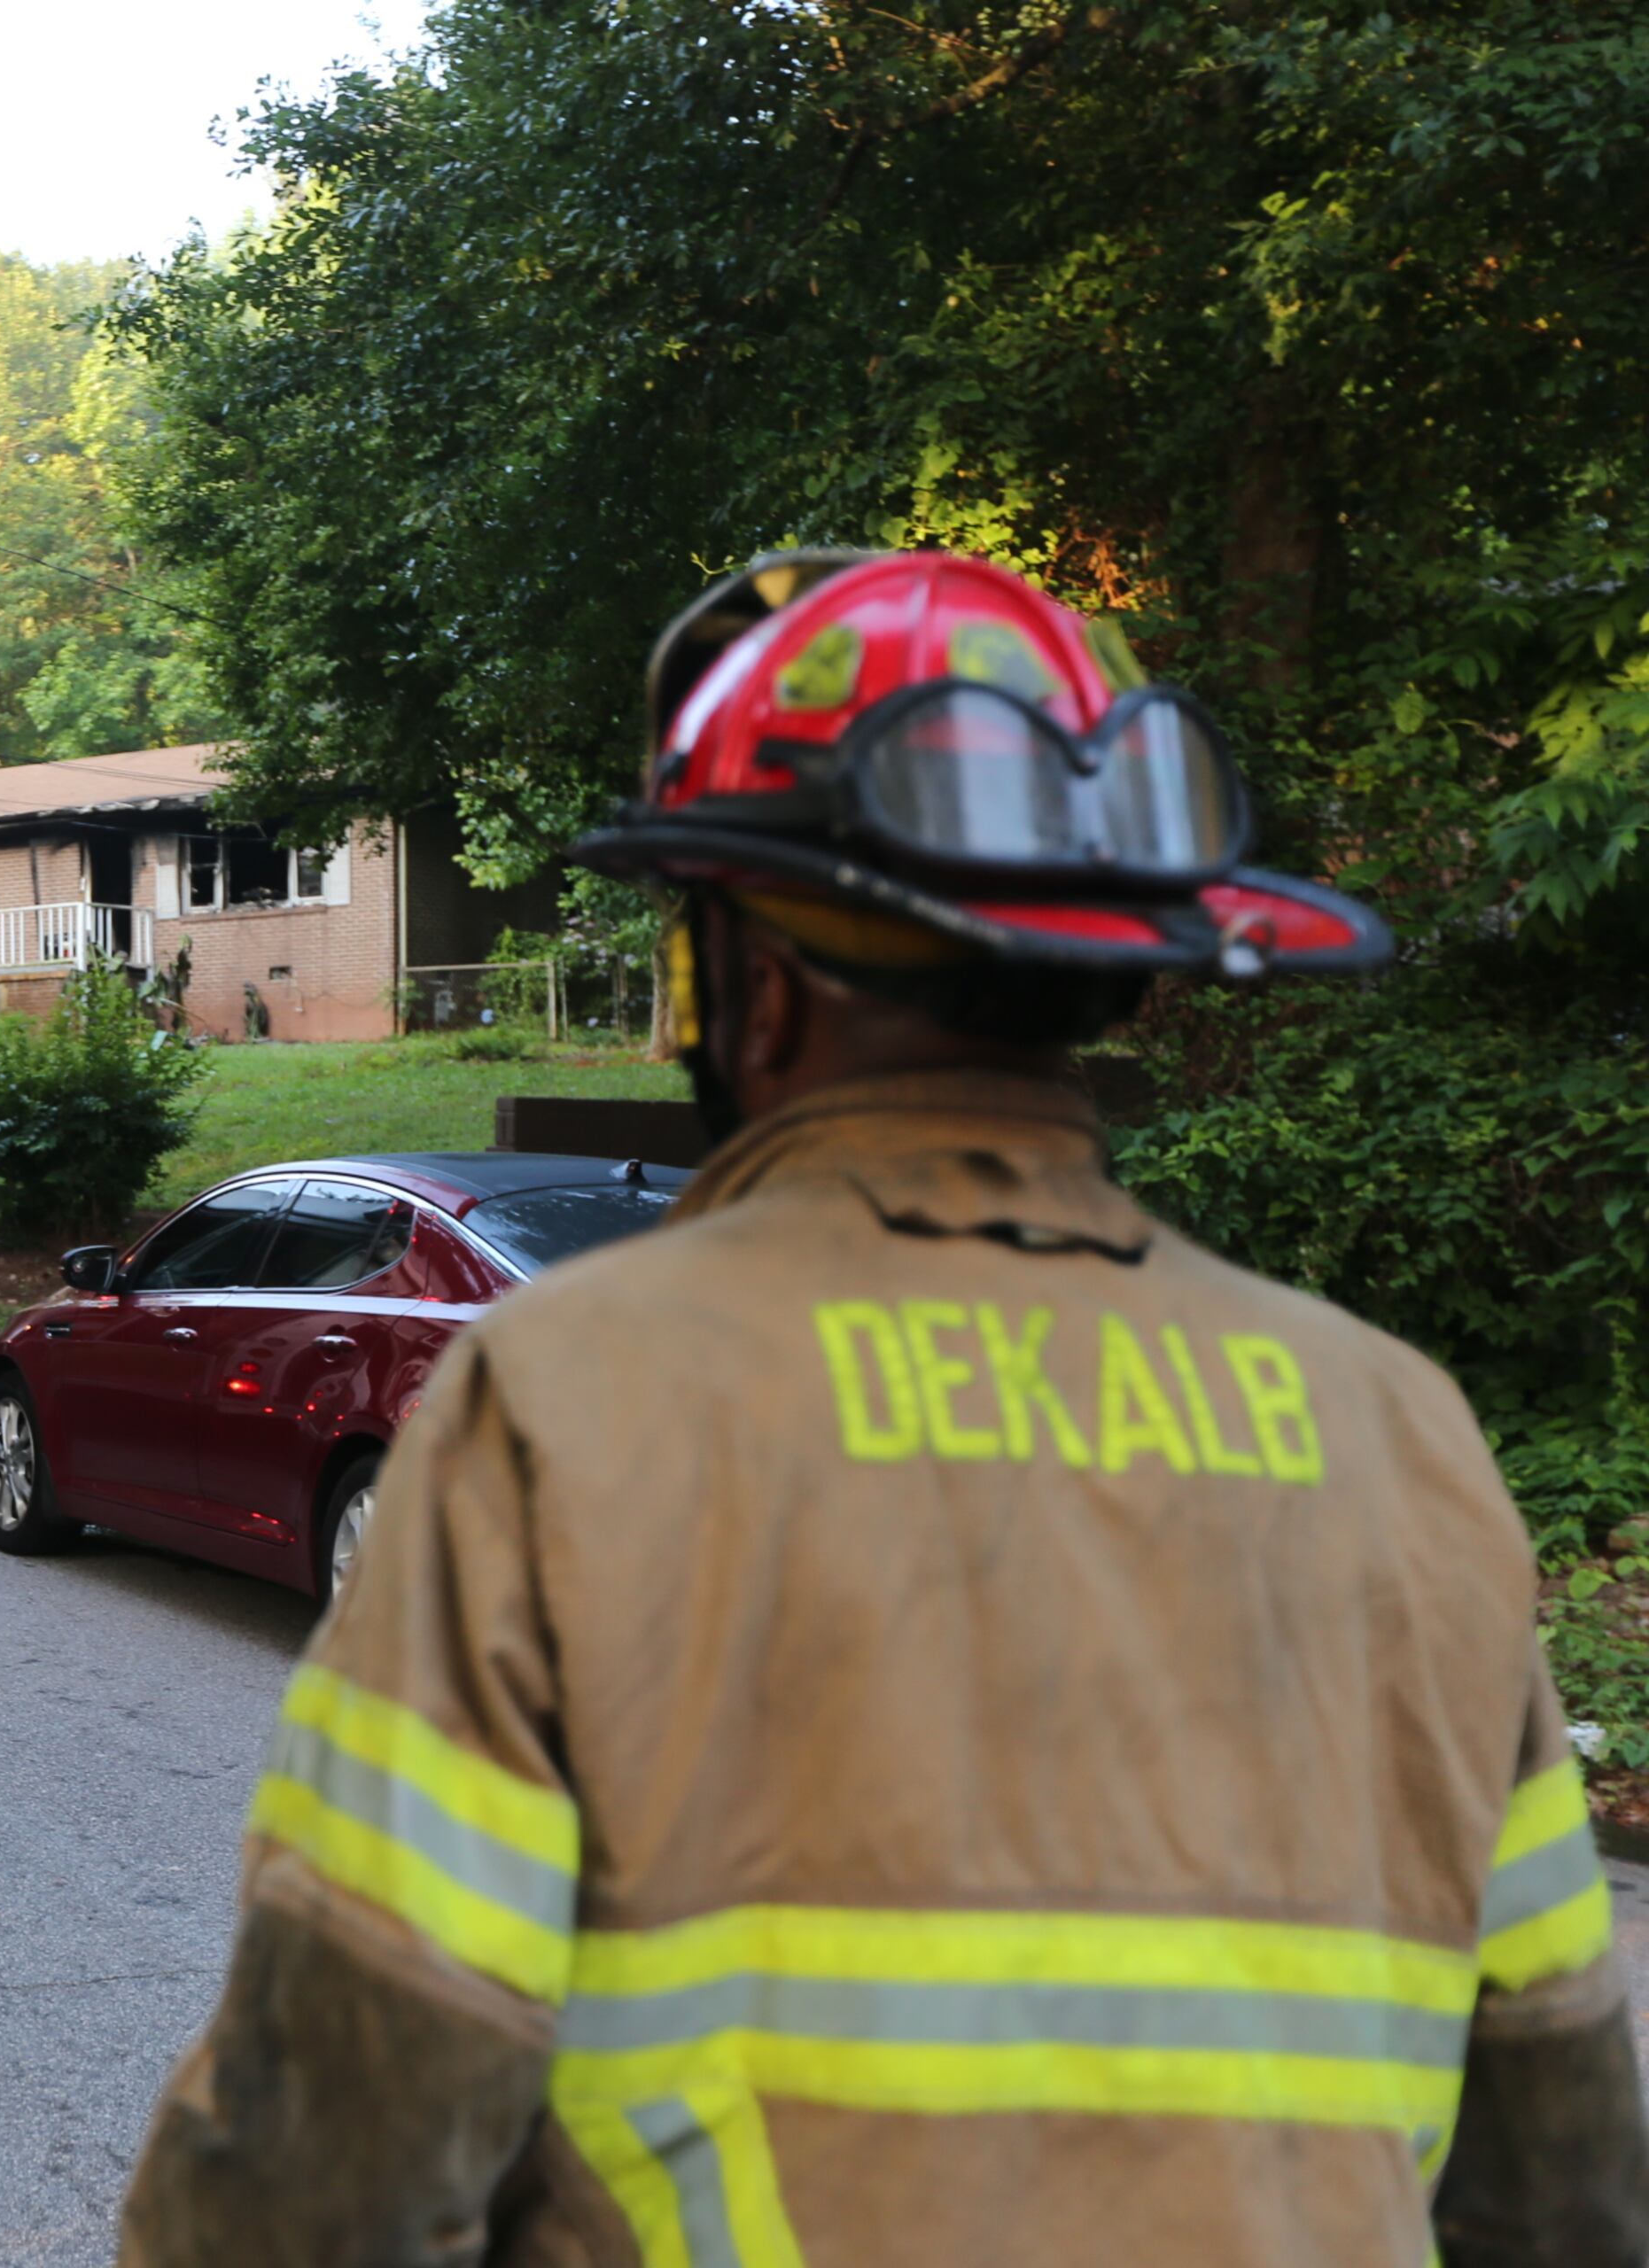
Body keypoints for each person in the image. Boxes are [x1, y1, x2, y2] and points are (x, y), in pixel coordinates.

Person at [117, 551, 1648, 2266]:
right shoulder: (1402, 1434)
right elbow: (1563, 2177)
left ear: (750, 978)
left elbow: (326, 2174)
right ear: (1109, 972)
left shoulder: (573, 1404)